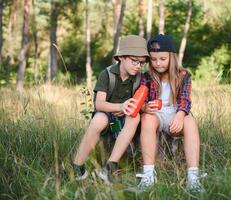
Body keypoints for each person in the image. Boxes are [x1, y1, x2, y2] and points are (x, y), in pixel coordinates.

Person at [72, 35, 149, 182]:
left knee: (136, 117)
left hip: (125, 119)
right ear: (122, 58)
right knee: (98, 120)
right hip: (106, 115)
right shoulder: (107, 74)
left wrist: (143, 107)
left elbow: (139, 104)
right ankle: (77, 166)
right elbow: (99, 104)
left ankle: (110, 166)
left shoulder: (139, 78)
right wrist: (120, 106)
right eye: (134, 61)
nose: (138, 66)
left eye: (142, 63)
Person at [137, 34, 206, 193]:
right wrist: (144, 108)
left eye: (162, 59)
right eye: (153, 59)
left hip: (175, 116)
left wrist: (181, 114)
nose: (157, 63)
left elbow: (185, 100)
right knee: (147, 118)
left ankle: (193, 177)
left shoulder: (183, 76)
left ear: (171, 57)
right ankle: (148, 175)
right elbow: (140, 100)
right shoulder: (147, 77)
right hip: (156, 115)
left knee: (189, 120)